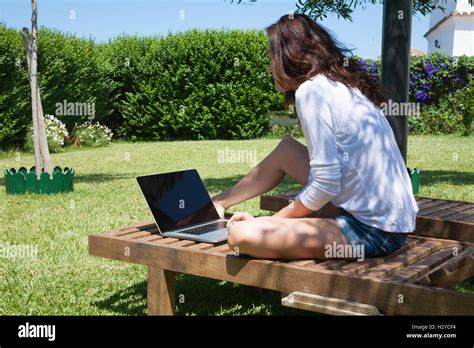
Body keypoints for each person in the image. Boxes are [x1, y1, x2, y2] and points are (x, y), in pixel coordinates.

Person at [212, 14, 419, 260]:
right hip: (392, 222)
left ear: (289, 56)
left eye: (272, 59)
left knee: (240, 237)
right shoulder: (339, 85)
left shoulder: (312, 92)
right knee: (287, 150)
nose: (270, 68)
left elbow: (325, 184)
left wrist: (271, 222)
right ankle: (218, 204)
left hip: (373, 231)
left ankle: (254, 224)